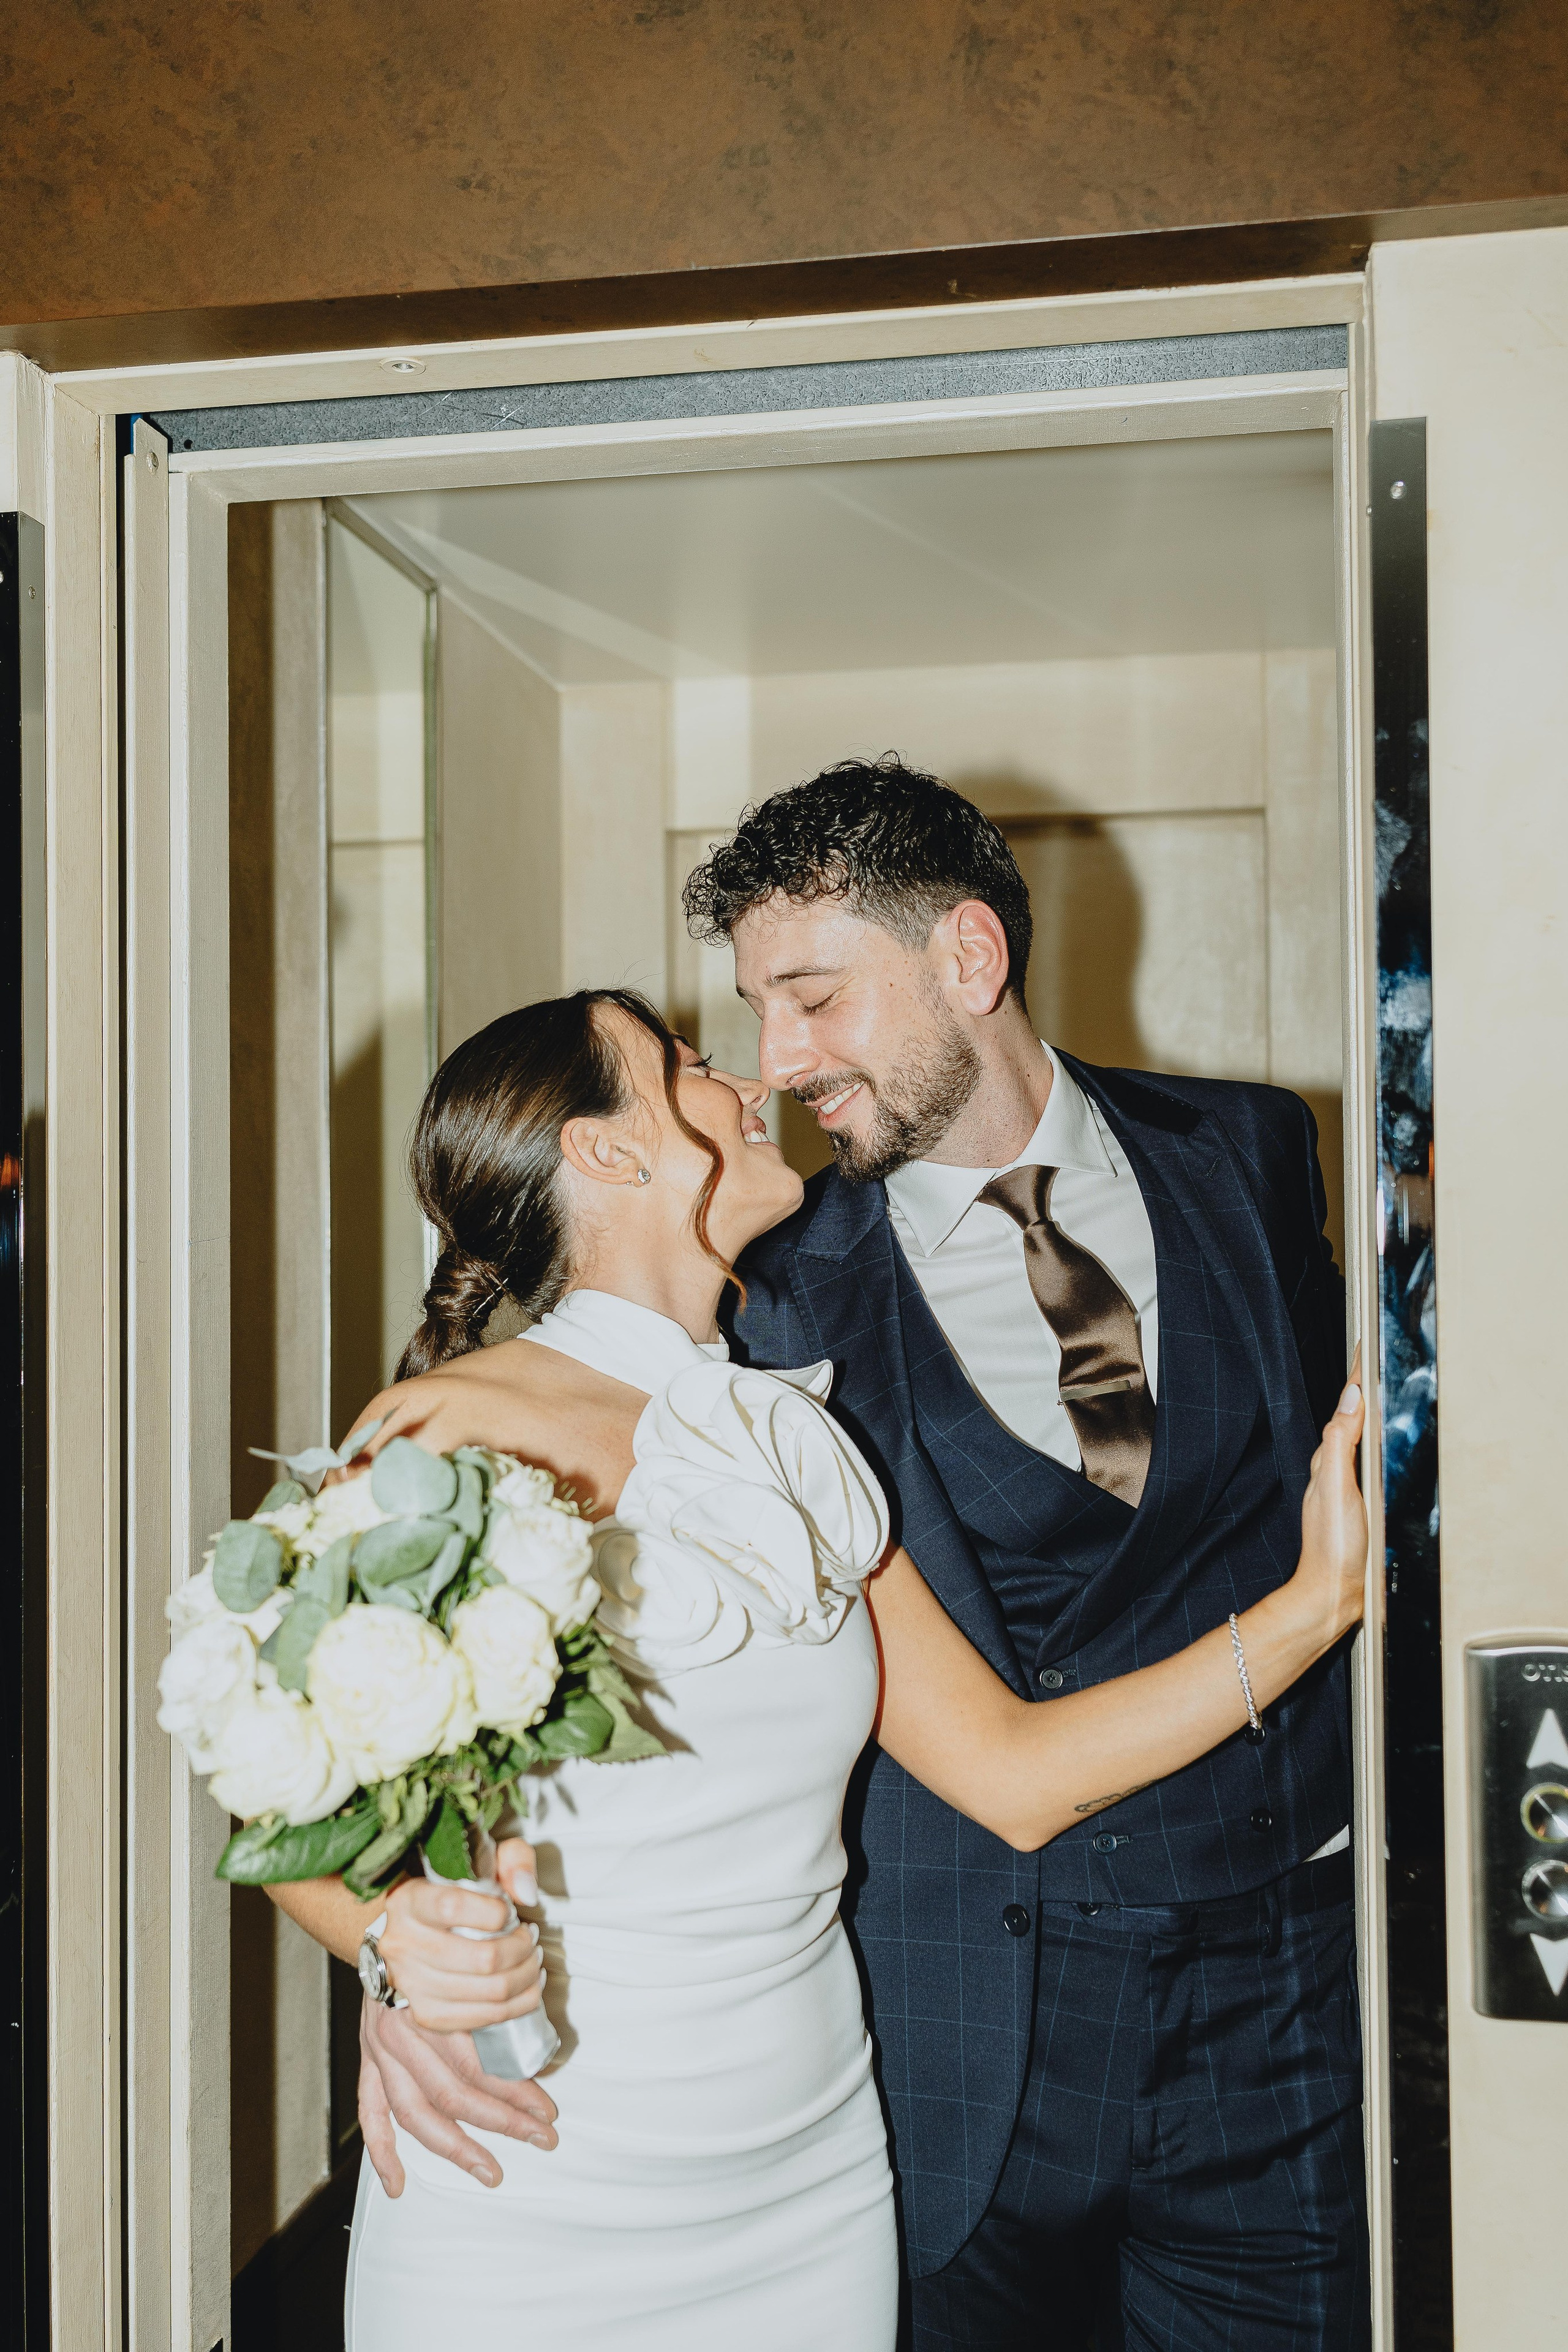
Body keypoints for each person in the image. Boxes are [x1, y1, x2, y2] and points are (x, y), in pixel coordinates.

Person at [275, 979, 1368, 2352]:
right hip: (549, 2162)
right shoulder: (453, 1429)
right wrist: (383, 1945)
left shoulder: (793, 1438)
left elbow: (1016, 1775)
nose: (748, 1084)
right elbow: (267, 1772)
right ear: (608, 1152)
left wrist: (1313, 1604)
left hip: (813, 2184)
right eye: (685, 1067)